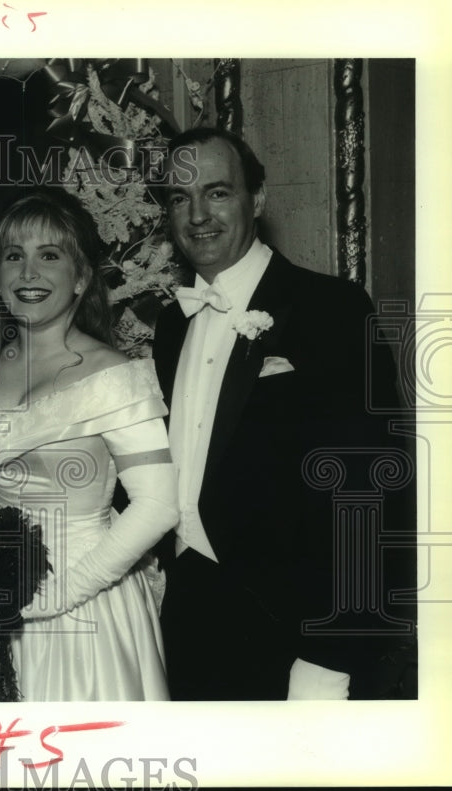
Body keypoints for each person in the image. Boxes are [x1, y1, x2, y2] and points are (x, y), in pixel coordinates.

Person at [153, 127, 409, 700]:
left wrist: (333, 652)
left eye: (217, 193)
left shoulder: (331, 309)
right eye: (179, 198)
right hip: (188, 617)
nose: (198, 215)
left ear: (257, 200)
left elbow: (370, 490)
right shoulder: (171, 325)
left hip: (293, 629)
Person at [0, 190, 179, 702]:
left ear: (80, 278)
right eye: (14, 256)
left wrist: (53, 597)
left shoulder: (114, 376)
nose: (28, 273)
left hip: (87, 598)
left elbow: (159, 506)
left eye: (49, 255)